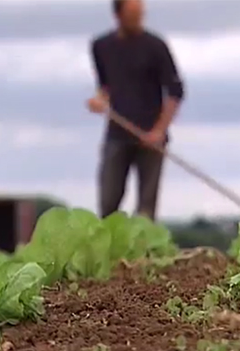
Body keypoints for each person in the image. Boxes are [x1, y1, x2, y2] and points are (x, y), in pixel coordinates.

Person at [87, 0, 185, 221]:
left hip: (151, 138)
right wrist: (99, 101)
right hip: (118, 133)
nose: (138, 19)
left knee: (146, 209)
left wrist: (159, 131)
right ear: (118, 15)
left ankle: (144, 253)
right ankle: (110, 253)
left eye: (140, 14)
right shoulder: (100, 46)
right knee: (108, 201)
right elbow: (106, 86)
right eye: (133, 15)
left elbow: (175, 91)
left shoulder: (155, 46)